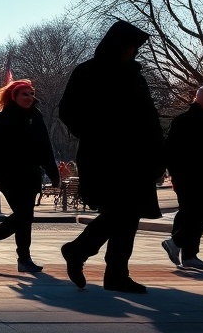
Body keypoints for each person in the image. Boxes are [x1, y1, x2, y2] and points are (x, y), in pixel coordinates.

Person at [58, 20, 165, 294]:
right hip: (103, 155)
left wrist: (157, 154)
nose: (133, 51)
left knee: (127, 217)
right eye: (130, 45)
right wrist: (96, 130)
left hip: (137, 157)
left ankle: (113, 272)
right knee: (120, 211)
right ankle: (81, 252)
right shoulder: (88, 72)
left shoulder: (135, 76)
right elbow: (69, 110)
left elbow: (149, 119)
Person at [0, 79, 60, 272]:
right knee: (23, 215)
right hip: (9, 175)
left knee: (25, 217)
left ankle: (23, 259)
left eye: (31, 94)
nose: (30, 98)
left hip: (31, 175)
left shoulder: (36, 117)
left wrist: (53, 174)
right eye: (25, 94)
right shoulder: (2, 118)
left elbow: (45, 147)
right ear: (14, 96)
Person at [161, 84, 203, 269]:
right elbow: (171, 152)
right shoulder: (184, 121)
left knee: (190, 213)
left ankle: (185, 252)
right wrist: (176, 176)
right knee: (196, 213)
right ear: (199, 99)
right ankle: (180, 246)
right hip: (191, 177)